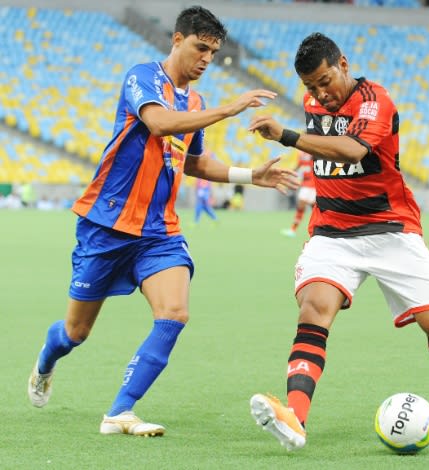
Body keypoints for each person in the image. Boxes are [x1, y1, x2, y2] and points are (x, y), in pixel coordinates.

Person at [27, 6, 298, 437]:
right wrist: (230, 110)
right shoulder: (143, 77)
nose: (207, 58)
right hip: (108, 225)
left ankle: (120, 412)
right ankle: (47, 358)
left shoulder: (196, 102)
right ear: (177, 40)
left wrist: (251, 176)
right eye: (200, 47)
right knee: (76, 332)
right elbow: (158, 124)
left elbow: (194, 162)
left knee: (174, 313)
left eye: (213, 51)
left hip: (159, 231)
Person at [247, 32, 429, 451]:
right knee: (313, 310)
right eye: (310, 87)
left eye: (325, 80)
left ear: (343, 64)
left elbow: (351, 150)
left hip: (390, 228)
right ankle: (296, 417)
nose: (320, 93)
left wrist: (286, 136)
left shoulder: (375, 101)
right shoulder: (314, 101)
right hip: (331, 232)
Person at [281, 151, 316, 237]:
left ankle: (295, 230)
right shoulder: (301, 153)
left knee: (308, 207)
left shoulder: (312, 151)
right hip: (306, 183)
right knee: (307, 207)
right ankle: (293, 230)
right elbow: (299, 165)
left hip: (313, 184)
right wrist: (290, 173)